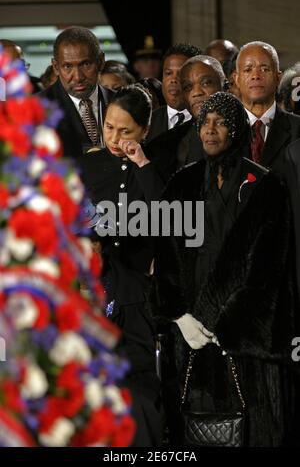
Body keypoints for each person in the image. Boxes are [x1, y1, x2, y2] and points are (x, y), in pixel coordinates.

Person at [151, 92, 297, 446]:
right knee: (196, 429)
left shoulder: (265, 184)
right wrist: (181, 317)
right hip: (191, 336)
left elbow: (270, 269)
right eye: (205, 123)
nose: (210, 130)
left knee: (254, 430)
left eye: (221, 123)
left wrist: (226, 325)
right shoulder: (181, 185)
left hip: (245, 341)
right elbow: (165, 258)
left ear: (237, 130)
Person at [81, 85, 164, 447]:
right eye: (109, 127)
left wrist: (143, 164)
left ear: (144, 131)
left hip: (137, 299)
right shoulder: (89, 164)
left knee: (139, 390)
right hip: (94, 293)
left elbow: (167, 218)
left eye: (125, 130)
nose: (114, 137)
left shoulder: (156, 165)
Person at [146, 55, 226, 181]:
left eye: (205, 83)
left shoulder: (251, 130)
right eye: (188, 87)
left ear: (225, 85)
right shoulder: (168, 143)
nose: (196, 92)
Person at [40, 26, 113, 163]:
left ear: (101, 61)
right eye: (68, 66)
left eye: (85, 64)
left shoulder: (120, 100)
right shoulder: (37, 108)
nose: (78, 77)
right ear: (56, 67)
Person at [234, 41, 300, 177]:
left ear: (278, 78)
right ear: (237, 79)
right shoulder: (221, 129)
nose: (256, 75)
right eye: (248, 70)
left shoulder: (298, 128)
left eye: (264, 69)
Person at [147, 43, 202, 142]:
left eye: (181, 73)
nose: (173, 79)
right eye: (168, 73)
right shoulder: (148, 122)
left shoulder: (206, 122)